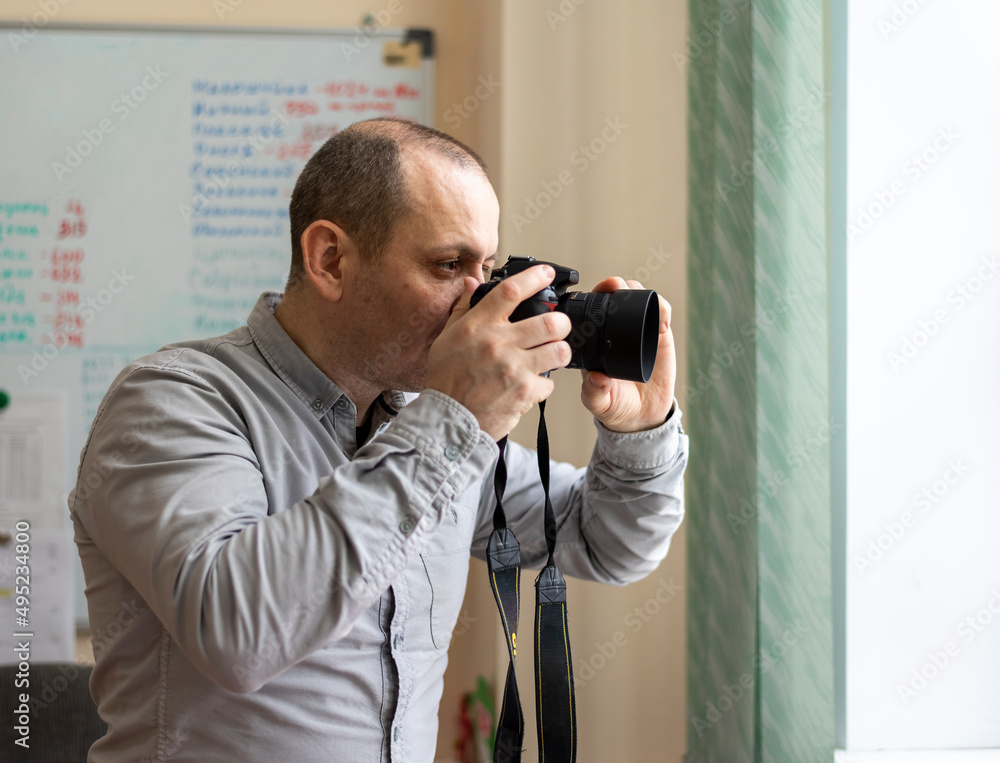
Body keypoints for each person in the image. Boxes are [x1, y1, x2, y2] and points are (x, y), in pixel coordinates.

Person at [69, 117, 688, 762]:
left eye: (487, 268)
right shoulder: (171, 402)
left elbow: (608, 542)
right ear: (331, 260)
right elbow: (239, 631)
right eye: (448, 265)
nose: (475, 305)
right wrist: (454, 421)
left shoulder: (426, 421)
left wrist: (639, 427)